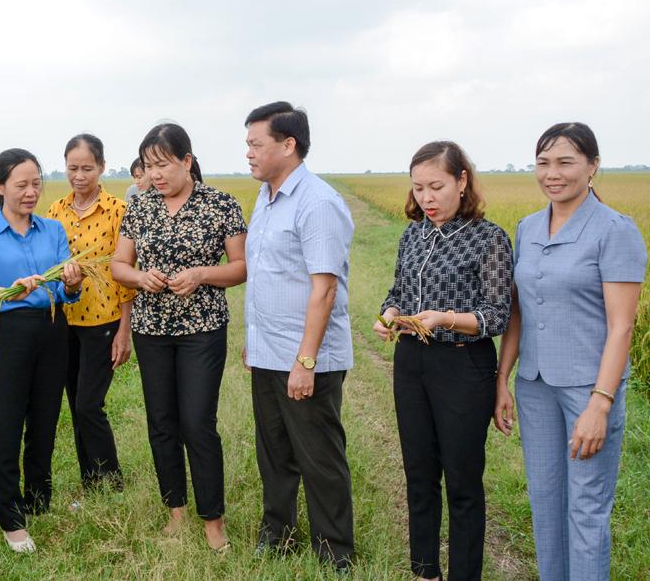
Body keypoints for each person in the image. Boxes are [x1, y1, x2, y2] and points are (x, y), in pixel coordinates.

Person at [494, 123, 646, 581]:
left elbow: (622, 327)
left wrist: (600, 404)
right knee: (545, 502)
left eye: (565, 162)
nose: (552, 174)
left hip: (588, 389)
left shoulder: (615, 230)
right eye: (543, 163)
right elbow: (518, 312)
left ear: (592, 166)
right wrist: (503, 380)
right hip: (535, 385)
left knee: (586, 508)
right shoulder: (527, 228)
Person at [372, 141, 512, 581]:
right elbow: (398, 292)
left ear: (462, 181)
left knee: (463, 482)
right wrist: (389, 314)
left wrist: (446, 318)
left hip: (463, 366)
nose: (426, 198)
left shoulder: (489, 238)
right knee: (419, 474)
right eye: (418, 189)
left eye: (436, 187)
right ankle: (425, 572)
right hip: (412, 362)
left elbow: (497, 315)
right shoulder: (413, 234)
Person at [111, 123, 247, 552]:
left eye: (163, 164)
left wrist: (202, 274)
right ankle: (175, 510)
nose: (155, 174)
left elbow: (241, 267)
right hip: (151, 330)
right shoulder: (140, 207)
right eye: (149, 166)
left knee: (198, 422)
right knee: (162, 421)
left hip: (202, 329)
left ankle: (213, 520)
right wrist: (140, 278)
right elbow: (119, 265)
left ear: (187, 161)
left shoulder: (220, 204)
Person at [242, 102, 355, 569]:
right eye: (247, 144)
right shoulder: (266, 197)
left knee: (319, 458)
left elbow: (324, 289)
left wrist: (305, 361)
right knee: (274, 453)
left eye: (256, 144)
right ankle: (279, 536)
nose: (248, 153)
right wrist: (253, 340)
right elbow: (267, 274)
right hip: (268, 352)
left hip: (306, 359)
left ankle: (334, 553)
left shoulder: (318, 203)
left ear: (288, 145)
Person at [0, 149, 84, 553]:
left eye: (36, 184)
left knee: (45, 420)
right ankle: (11, 519)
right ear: (0, 187)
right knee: (7, 425)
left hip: (53, 329)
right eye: (21, 185)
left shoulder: (53, 230)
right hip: (7, 333)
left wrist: (73, 283)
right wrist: (7, 291)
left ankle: (39, 499)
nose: (31, 192)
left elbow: (66, 290)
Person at [46, 134, 135, 492]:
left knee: (88, 404)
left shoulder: (117, 210)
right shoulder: (55, 211)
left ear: (101, 167)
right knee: (75, 403)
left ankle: (112, 479)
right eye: (73, 168)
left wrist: (125, 330)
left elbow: (126, 273)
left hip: (104, 321)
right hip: (65, 321)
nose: (79, 176)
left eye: (87, 168)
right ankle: (90, 481)